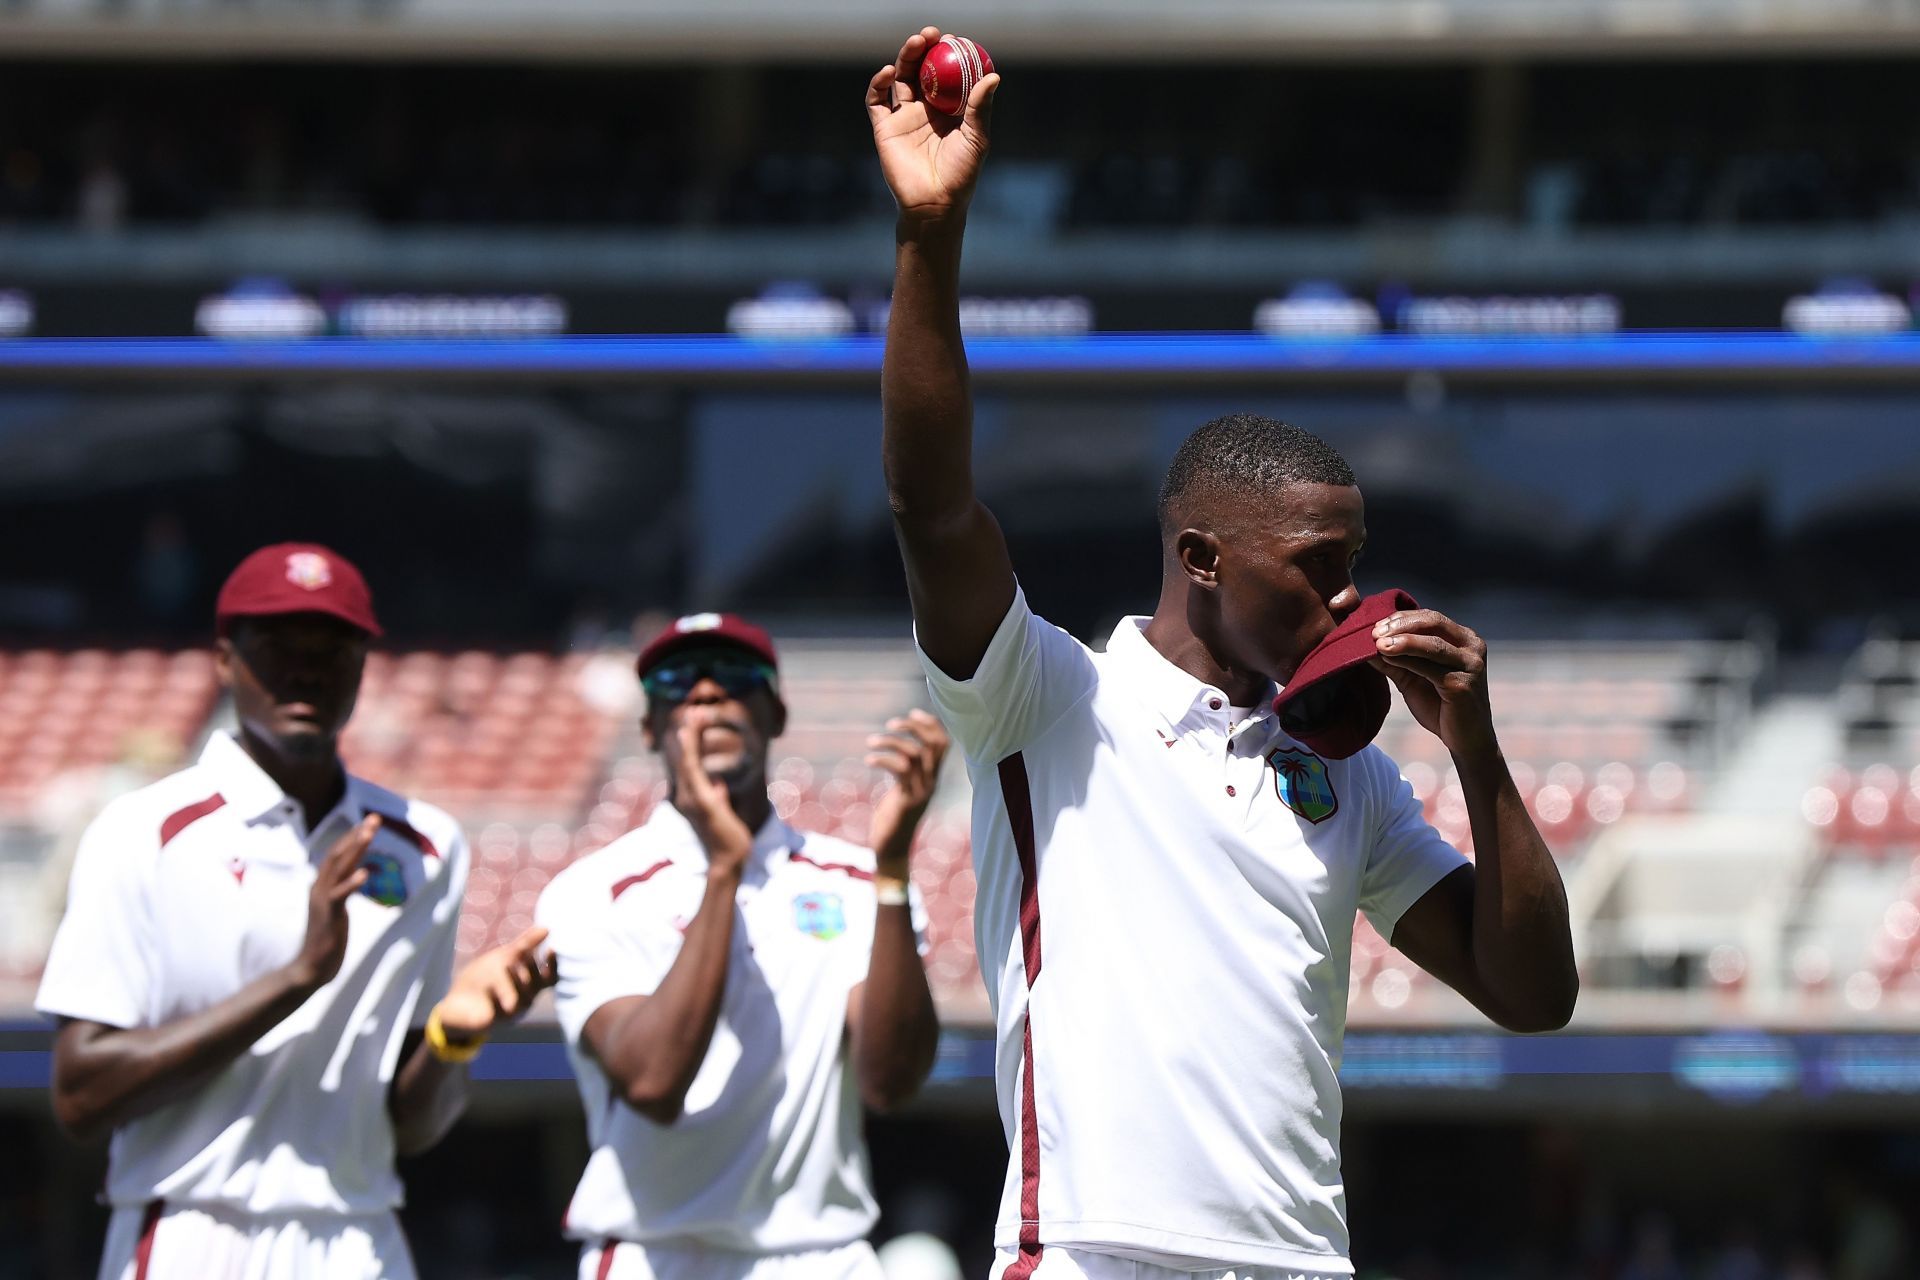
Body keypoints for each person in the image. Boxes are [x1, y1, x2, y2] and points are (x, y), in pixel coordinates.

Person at [866, 28, 1578, 1280]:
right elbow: (933, 507)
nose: (1346, 591)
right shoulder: (1047, 696)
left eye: (1353, 558)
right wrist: (932, 236)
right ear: (1202, 557)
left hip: (1304, 1260)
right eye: (1314, 563)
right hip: (1093, 1250)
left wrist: (1476, 749)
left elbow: (1532, 992)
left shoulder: (1346, 768)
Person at [36, 542, 556, 1280]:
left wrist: (450, 1043)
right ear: (224, 659)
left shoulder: (426, 847)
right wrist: (299, 978)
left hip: (358, 1234)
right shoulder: (145, 831)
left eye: (333, 645)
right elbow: (81, 1095)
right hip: (190, 1229)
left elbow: (408, 1130)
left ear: (364, 662)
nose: (306, 667)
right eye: (276, 644)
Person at [537, 612, 948, 1280]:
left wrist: (894, 869)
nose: (706, 694)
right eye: (678, 682)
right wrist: (725, 870)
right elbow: (652, 1082)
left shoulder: (855, 885)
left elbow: (890, 1082)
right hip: (655, 1256)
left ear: (776, 714)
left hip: (823, 1258)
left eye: (734, 678)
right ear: (648, 726)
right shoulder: (592, 892)